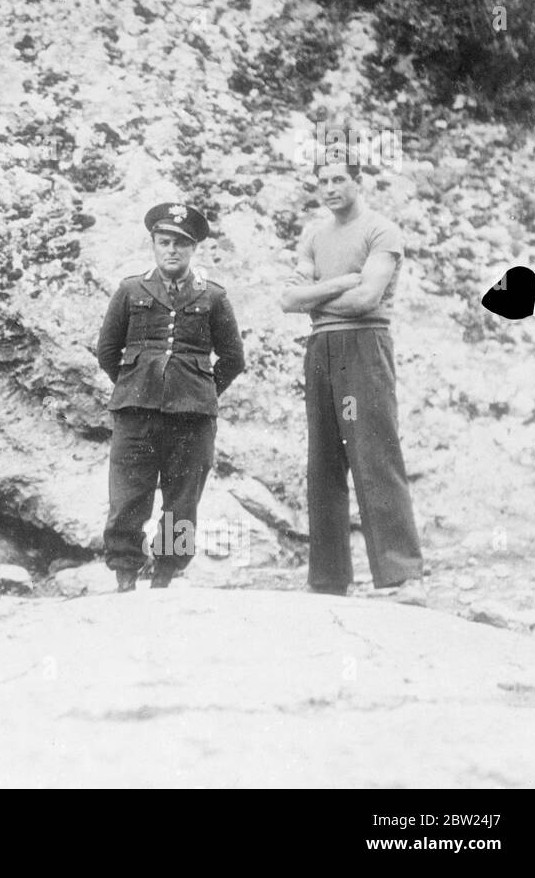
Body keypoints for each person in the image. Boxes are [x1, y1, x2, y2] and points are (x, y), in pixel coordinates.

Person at [280, 162, 424, 603]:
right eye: (322, 182)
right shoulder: (314, 236)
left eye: (338, 179)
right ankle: (327, 580)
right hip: (321, 351)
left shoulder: (381, 231)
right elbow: (288, 298)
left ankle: (403, 577)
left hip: (364, 347)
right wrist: (343, 281)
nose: (329, 188)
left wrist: (318, 299)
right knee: (323, 460)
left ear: (358, 183)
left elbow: (368, 299)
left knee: (373, 452)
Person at [97, 203, 246, 591]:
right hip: (135, 412)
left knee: (182, 501)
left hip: (192, 417)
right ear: (153, 244)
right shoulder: (131, 290)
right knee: (129, 494)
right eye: (165, 242)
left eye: (181, 244)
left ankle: (166, 573)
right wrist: (134, 383)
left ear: (193, 249)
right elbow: (107, 351)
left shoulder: (212, 296)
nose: (172, 251)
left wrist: (201, 390)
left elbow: (233, 358)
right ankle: (125, 573)